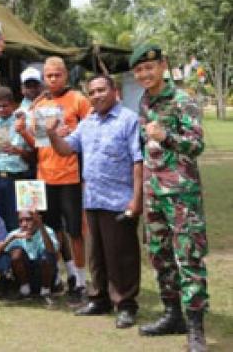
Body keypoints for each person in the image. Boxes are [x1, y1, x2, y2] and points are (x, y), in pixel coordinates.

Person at [47, 74, 143, 329]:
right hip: (93, 199)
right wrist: (52, 135)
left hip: (120, 200)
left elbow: (138, 161)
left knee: (122, 256)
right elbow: (67, 149)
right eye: (92, 92)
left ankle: (125, 305)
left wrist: (136, 200)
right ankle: (99, 299)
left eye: (101, 90)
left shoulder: (128, 120)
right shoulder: (88, 123)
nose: (97, 95)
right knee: (96, 255)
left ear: (114, 91)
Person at [130, 44, 208, 351]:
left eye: (149, 68)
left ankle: (196, 327)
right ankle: (172, 313)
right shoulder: (145, 101)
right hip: (154, 194)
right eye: (138, 70)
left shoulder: (182, 100)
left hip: (181, 195)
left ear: (163, 66)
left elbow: (196, 145)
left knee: (188, 257)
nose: (144, 74)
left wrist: (167, 137)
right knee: (160, 255)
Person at [29, 56, 91, 300]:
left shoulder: (78, 100)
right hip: (45, 174)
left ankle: (82, 281)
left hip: (71, 175)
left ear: (66, 75)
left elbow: (93, 130)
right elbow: (37, 138)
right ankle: (61, 275)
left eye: (57, 75)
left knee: (75, 230)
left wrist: (72, 132)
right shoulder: (39, 104)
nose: (53, 79)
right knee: (53, 230)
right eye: (48, 75)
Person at [0, 87, 31, 230]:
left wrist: (18, 151)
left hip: (17, 177)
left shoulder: (23, 124)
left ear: (13, 105)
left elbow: (34, 155)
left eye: (5, 106)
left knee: (17, 219)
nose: (1, 109)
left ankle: (17, 250)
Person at [0, 210, 58, 307]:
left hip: (44, 275)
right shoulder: (16, 233)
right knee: (16, 253)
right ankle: (24, 290)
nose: (24, 224)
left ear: (37, 220)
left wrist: (41, 227)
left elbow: (52, 250)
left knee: (47, 256)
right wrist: (13, 237)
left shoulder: (47, 231)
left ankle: (45, 292)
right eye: (21, 221)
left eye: (28, 220)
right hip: (26, 274)